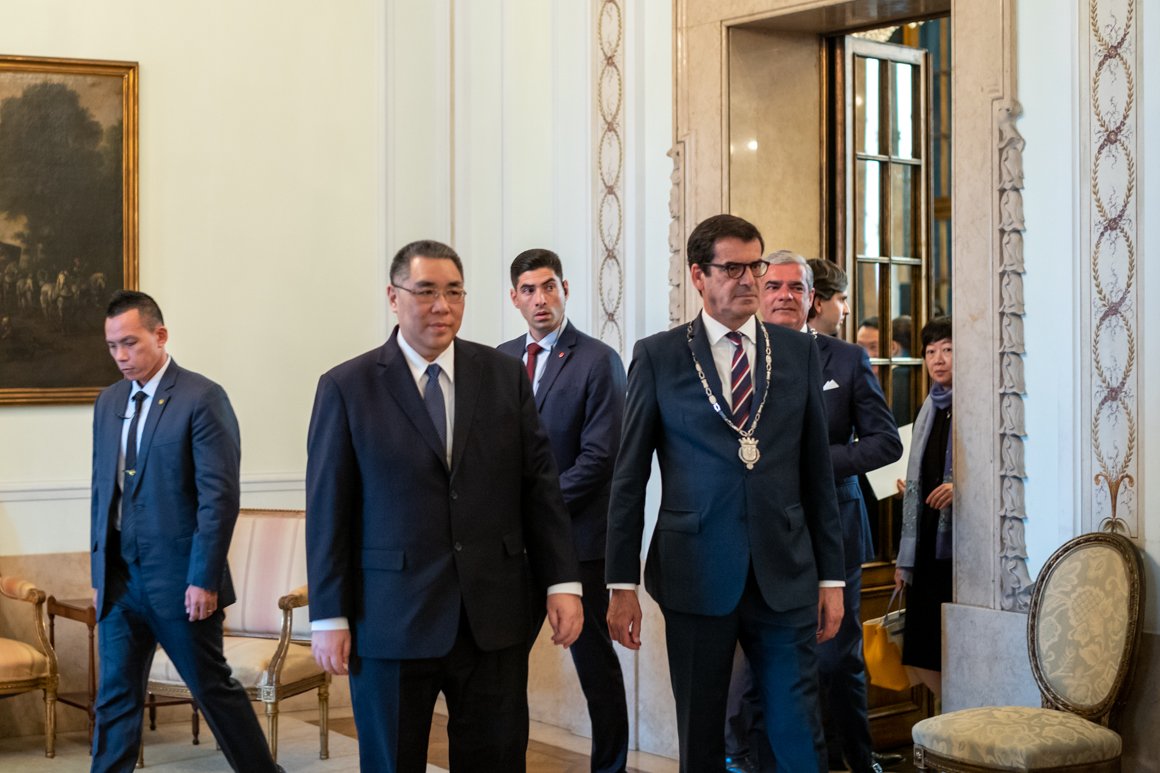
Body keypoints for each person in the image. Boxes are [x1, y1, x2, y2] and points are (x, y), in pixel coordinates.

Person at [306, 239, 583, 773]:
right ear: (394, 297)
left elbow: (539, 487)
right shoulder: (347, 386)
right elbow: (328, 510)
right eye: (426, 291)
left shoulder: (502, 374)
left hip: (492, 616)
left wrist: (562, 583)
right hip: (389, 618)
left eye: (454, 292)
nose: (442, 306)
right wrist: (329, 615)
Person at [605, 214, 845, 773]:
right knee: (702, 734)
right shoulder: (659, 356)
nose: (749, 279)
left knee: (797, 731)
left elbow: (816, 472)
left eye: (755, 266)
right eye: (732, 268)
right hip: (694, 570)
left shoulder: (796, 352)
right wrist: (621, 583)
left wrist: (831, 578)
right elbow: (629, 477)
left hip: (785, 570)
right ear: (698, 275)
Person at [89, 290, 281, 773]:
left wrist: (204, 578)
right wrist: (98, 574)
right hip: (120, 581)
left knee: (212, 690)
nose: (120, 356)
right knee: (114, 699)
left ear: (160, 335)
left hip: (181, 582)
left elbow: (219, 499)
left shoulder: (202, 397)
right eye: (112, 346)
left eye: (130, 343)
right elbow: (102, 491)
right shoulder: (108, 402)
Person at [724, 255, 903, 773]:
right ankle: (748, 757)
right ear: (759, 294)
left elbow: (885, 442)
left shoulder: (845, 360)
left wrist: (817, 460)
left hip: (835, 528)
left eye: (795, 288)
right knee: (759, 654)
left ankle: (856, 759)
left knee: (836, 655)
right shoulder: (736, 358)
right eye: (773, 286)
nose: (783, 295)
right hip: (762, 531)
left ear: (811, 299)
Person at [497, 248, 630, 773]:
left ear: (566, 289)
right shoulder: (500, 359)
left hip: (580, 544)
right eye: (529, 290)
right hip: (513, 549)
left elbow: (600, 458)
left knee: (595, 666)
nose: (541, 299)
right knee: (504, 669)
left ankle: (610, 768)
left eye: (549, 286)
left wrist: (536, 510)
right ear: (514, 298)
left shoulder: (598, 360)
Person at [894, 316, 953, 699]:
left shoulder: (975, 407)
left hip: (956, 548)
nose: (938, 359)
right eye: (930, 351)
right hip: (924, 545)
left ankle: (957, 717)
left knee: (951, 647)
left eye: (947, 349)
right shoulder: (928, 408)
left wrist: (962, 489)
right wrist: (910, 491)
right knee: (919, 650)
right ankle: (951, 713)